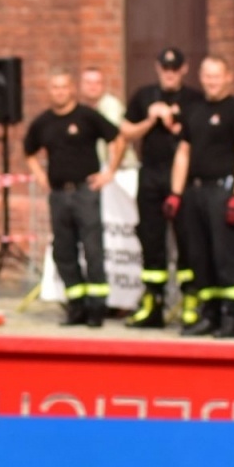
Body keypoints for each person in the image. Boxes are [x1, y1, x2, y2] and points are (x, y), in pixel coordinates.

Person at [24, 71, 125, 327]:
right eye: (54, 87)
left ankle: (97, 307)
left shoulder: (86, 116)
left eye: (63, 87)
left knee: (93, 249)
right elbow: (29, 152)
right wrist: (41, 177)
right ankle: (75, 305)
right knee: (63, 251)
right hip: (58, 194)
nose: (59, 92)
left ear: (72, 89)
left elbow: (118, 138)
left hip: (85, 192)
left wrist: (109, 172)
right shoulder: (43, 122)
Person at [171, 55, 234, 338]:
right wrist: (175, 193)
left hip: (223, 191)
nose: (211, 81)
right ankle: (210, 314)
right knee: (199, 255)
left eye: (216, 75)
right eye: (207, 75)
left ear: (228, 76)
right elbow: (183, 153)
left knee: (225, 254)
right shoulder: (194, 110)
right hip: (195, 192)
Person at [122, 48, 204, 328]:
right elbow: (126, 132)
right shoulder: (144, 95)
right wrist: (151, 119)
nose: (170, 73)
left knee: (187, 239)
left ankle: (190, 300)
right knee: (151, 238)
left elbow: (198, 136)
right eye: (165, 68)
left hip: (181, 178)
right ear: (158, 68)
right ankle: (153, 302)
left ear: (184, 69)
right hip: (151, 176)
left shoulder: (194, 99)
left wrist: (173, 121)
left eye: (175, 68)